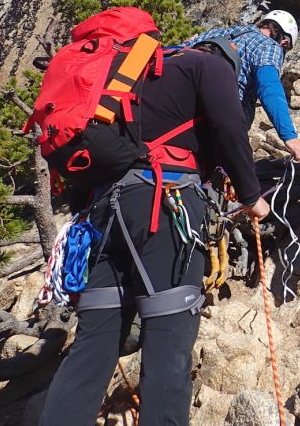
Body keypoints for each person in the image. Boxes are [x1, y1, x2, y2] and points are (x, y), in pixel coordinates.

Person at [38, 40, 270, 426]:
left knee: (93, 346)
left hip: (103, 215)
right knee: (169, 339)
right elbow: (229, 126)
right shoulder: (208, 67)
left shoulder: (126, 77)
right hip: (165, 204)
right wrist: (251, 196)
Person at [190, 10, 300, 165]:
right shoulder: (269, 46)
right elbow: (269, 87)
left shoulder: (218, 34)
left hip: (178, 115)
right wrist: (290, 137)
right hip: (218, 127)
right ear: (284, 42)